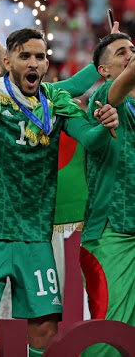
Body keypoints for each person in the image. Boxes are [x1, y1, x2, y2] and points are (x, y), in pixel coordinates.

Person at [0, 28, 118, 356]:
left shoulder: (55, 101)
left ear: (45, 64)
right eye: (25, 55)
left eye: (39, 56)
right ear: (7, 62)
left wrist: (105, 126)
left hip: (35, 237)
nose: (33, 62)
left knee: (44, 331)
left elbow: (90, 139)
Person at [80, 29, 135, 356]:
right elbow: (125, 84)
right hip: (110, 233)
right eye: (121, 53)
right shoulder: (103, 99)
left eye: (132, 48)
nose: (129, 55)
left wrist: (120, 46)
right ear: (103, 71)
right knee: (110, 336)